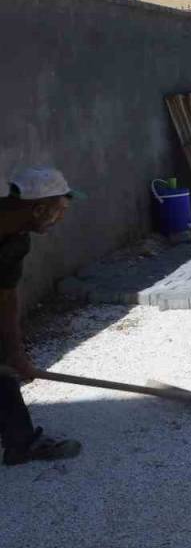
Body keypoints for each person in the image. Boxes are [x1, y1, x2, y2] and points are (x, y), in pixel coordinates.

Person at [0, 167, 83, 466]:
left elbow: (6, 296)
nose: (60, 218)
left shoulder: (16, 240)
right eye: (60, 211)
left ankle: (21, 443)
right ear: (39, 209)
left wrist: (15, 353)